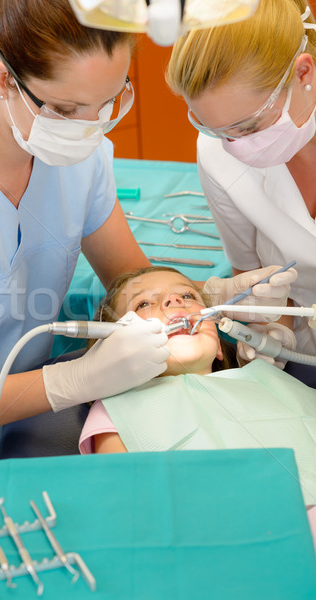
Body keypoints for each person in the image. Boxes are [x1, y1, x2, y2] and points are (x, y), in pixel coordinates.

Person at [0, 0, 296, 465]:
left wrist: (209, 295)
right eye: (66, 108)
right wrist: (71, 381)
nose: (90, 128)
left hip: (25, 433)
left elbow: (135, 283)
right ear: (2, 82)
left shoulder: (81, 159)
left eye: (108, 102)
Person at [166, 0, 316, 383]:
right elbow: (255, 280)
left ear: (303, 74)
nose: (235, 146)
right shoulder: (216, 151)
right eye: (215, 128)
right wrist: (269, 335)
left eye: (248, 127)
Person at [78, 266, 316, 506]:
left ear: (219, 349)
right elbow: (125, 504)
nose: (174, 300)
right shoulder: (117, 411)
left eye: (189, 296)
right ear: (113, 354)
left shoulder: (268, 380)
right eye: (143, 304)